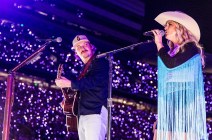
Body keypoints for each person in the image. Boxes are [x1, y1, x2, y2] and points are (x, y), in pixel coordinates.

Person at [151, 11, 208, 140]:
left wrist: (159, 44)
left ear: (179, 27)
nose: (165, 28)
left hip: (185, 106)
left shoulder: (191, 47)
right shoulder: (173, 52)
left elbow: (171, 64)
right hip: (171, 103)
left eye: (168, 24)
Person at [55, 35, 109, 140]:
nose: (82, 48)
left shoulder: (100, 62)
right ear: (76, 52)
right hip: (83, 115)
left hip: (95, 112)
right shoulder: (85, 69)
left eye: (85, 44)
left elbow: (92, 82)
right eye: (78, 47)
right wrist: (68, 102)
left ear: (91, 46)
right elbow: (84, 89)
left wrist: (69, 83)